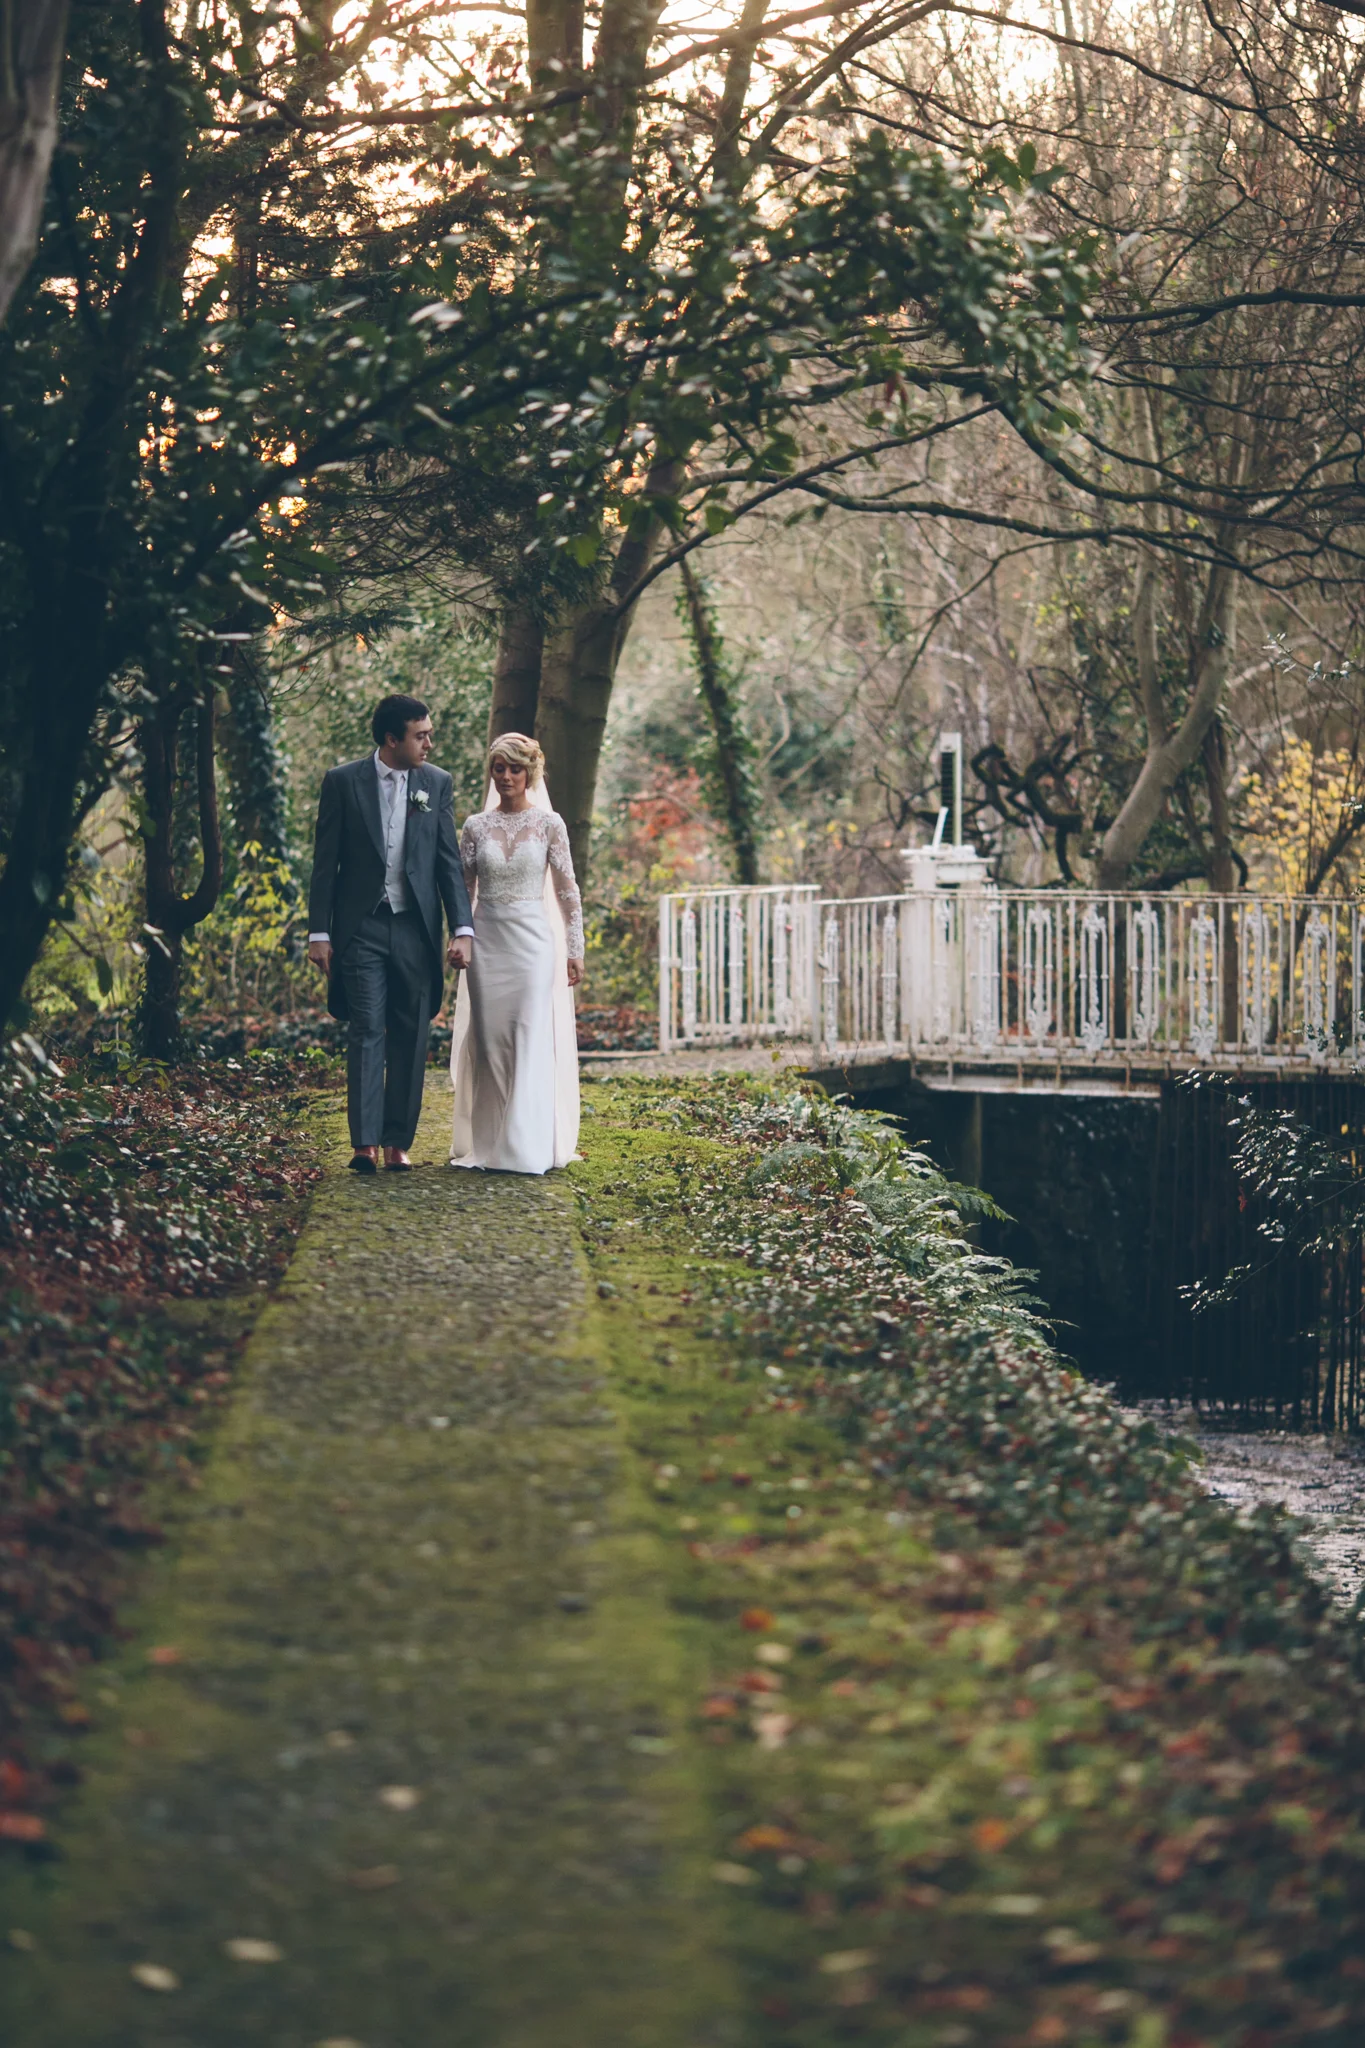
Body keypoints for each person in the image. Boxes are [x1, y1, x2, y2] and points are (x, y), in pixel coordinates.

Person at [308, 694, 474, 1172]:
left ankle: (397, 1141)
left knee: (411, 1032)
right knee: (365, 1030)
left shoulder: (435, 783)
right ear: (391, 739)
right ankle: (363, 1143)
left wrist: (462, 928)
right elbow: (326, 863)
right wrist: (320, 931)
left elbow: (447, 862)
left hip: (416, 928)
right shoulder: (342, 782)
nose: (429, 742)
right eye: (420, 735)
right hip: (361, 928)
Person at [449, 733, 583, 1175]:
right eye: (499, 767)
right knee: (489, 1044)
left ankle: (525, 1146)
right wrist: (459, 936)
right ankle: (487, 1143)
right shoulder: (475, 826)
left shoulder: (550, 825)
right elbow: (462, 890)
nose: (505, 776)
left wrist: (574, 948)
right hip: (487, 942)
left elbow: (567, 891)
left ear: (530, 773)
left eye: (515, 768)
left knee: (526, 1036)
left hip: (532, 946)